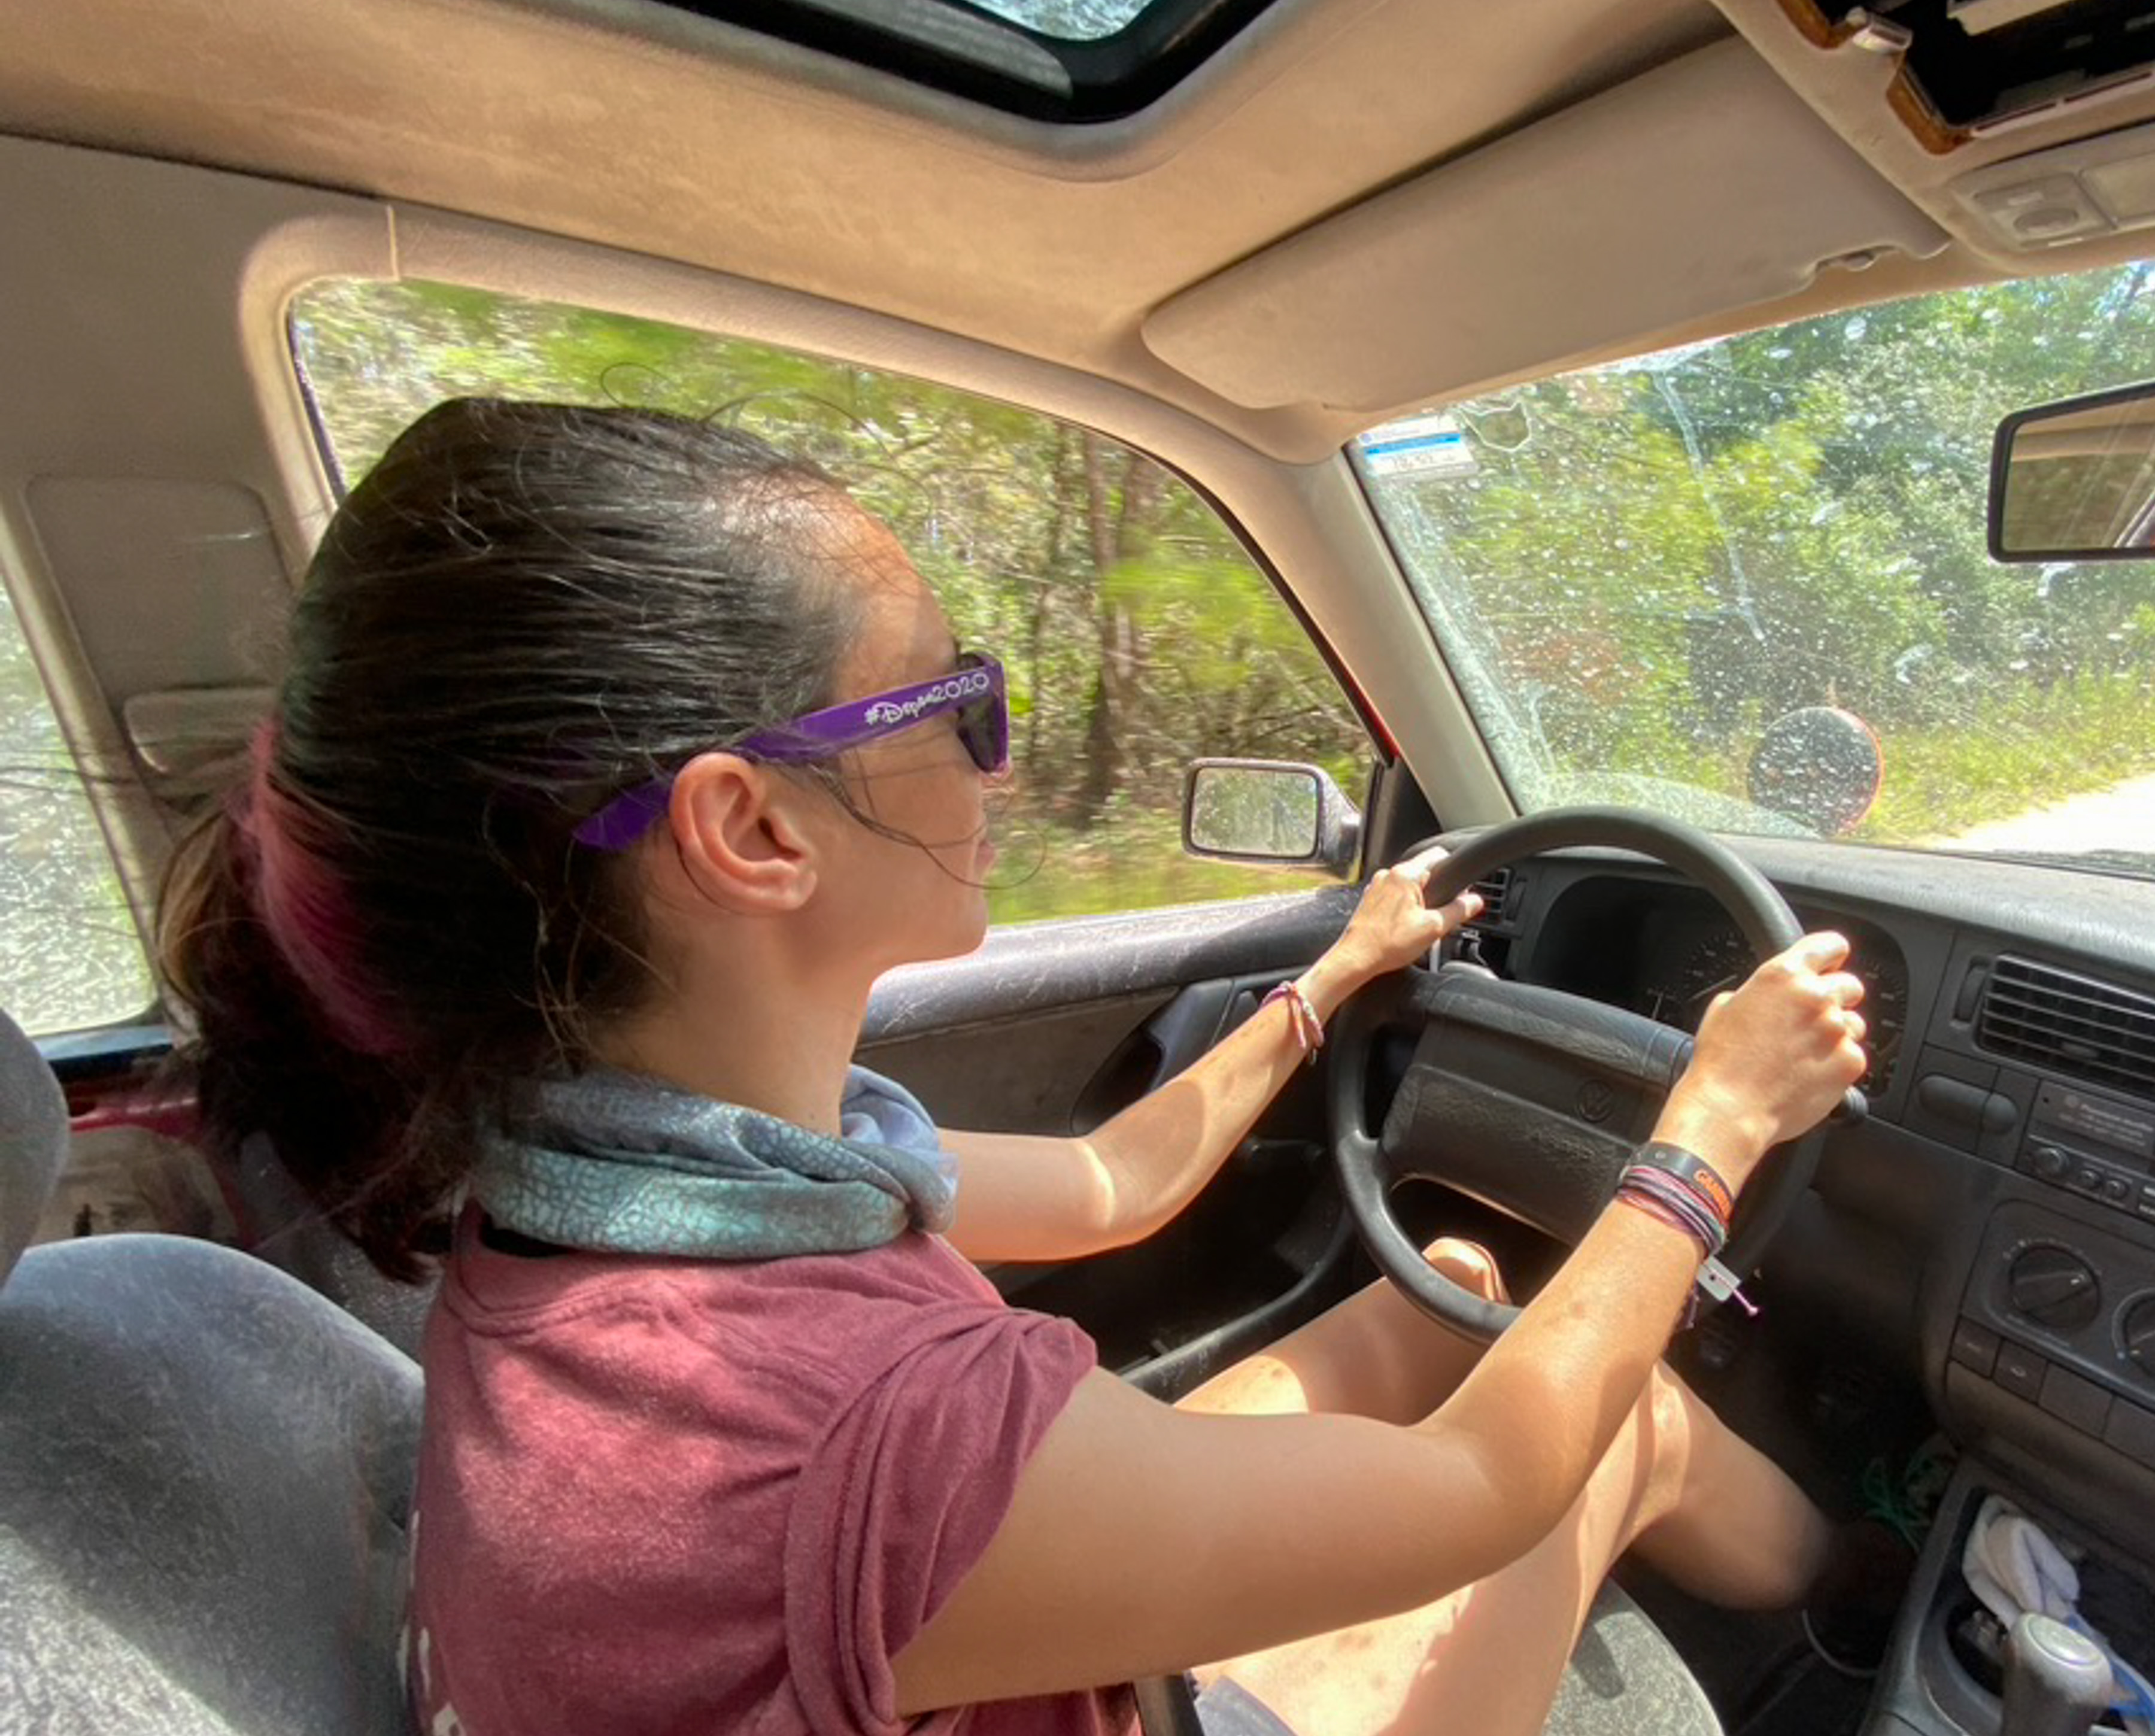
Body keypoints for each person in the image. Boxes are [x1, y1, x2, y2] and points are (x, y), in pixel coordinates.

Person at [157, 397, 1871, 1736]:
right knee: (1622, 1421)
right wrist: (1711, 1127)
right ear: (751, 830)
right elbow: (1488, 1485)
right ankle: (1870, 1621)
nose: (999, 751)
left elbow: (1116, 1184)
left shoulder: (630, 1188)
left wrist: (1336, 976)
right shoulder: (858, 1427)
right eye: (953, 697)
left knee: (1462, 1291)